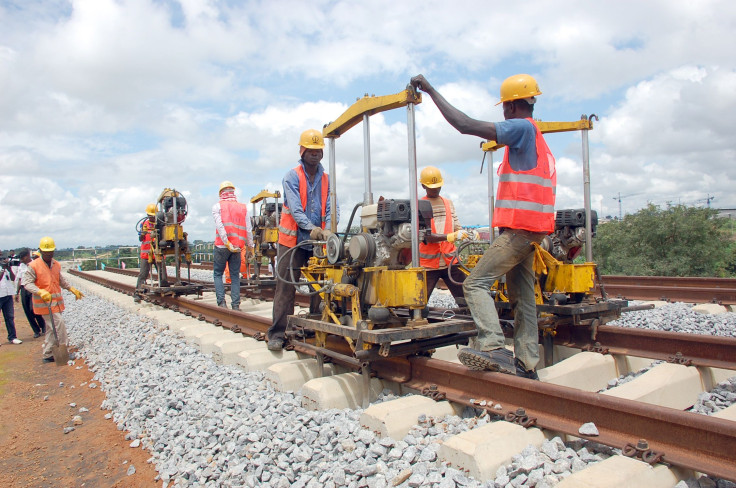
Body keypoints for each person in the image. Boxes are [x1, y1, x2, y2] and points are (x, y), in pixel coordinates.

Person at [410, 73, 556, 380]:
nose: (503, 112)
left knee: (475, 284)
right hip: (534, 232)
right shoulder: (538, 138)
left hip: (519, 231)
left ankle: (493, 347)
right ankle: (528, 365)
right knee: (523, 295)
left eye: (504, 106)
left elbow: (464, 124)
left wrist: (431, 89)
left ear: (512, 106)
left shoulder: (520, 128)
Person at [268, 129, 337, 351]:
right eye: (311, 150)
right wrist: (314, 229)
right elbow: (296, 210)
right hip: (293, 241)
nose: (315, 154)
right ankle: (278, 333)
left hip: (317, 243)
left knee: (320, 285)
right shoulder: (292, 176)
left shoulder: (327, 179)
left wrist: (329, 230)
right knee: (286, 286)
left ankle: (314, 327)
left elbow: (332, 207)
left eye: (318, 150)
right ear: (302, 151)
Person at [21, 236, 85, 363]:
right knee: (59, 325)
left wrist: (71, 289)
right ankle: (64, 352)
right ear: (41, 251)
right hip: (44, 305)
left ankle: (48, 354)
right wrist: (39, 291)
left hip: (56, 304)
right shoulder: (34, 266)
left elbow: (60, 280)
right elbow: (27, 283)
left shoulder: (56, 264)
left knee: (51, 329)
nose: (49, 254)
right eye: (46, 252)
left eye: (51, 252)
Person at [418, 166, 471, 307]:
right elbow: (426, 236)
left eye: (438, 186)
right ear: (423, 185)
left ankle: (470, 322)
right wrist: (450, 236)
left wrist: (466, 234)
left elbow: (457, 227)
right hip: (428, 265)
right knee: (418, 304)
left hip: (450, 261)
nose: (435, 189)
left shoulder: (448, 203)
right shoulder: (419, 206)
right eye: (432, 187)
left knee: (466, 300)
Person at [212, 181, 252, 311]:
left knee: (218, 274)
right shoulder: (243, 207)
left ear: (221, 193)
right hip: (237, 247)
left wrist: (226, 242)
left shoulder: (217, 206)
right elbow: (248, 229)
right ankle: (235, 305)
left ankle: (222, 303)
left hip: (222, 246)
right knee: (235, 276)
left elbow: (220, 226)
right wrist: (250, 246)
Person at [134, 203, 168, 303]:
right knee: (143, 274)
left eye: (153, 215)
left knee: (162, 274)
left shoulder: (161, 224)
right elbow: (141, 238)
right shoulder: (144, 224)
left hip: (158, 253)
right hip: (146, 254)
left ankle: (164, 291)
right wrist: (142, 234)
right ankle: (138, 292)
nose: (151, 217)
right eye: (150, 215)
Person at [15, 249, 46, 337]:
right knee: (27, 311)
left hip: (33, 288)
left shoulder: (35, 264)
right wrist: (17, 292)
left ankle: (43, 325)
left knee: (34, 309)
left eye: (22, 258)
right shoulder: (21, 266)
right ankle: (36, 330)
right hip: (24, 289)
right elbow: (20, 280)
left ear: (27, 257)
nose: (21, 260)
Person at [0, 250, 21, 344]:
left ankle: (12, 337)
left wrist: (8, 268)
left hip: (8, 294)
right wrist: (2, 269)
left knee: (10, 316)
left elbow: (13, 278)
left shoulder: (5, 266)